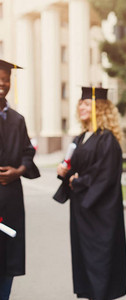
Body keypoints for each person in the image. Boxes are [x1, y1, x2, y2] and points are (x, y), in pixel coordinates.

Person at [54, 87, 126, 300]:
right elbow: (75, 166)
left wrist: (79, 180)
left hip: (99, 212)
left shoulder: (107, 139)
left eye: (87, 104)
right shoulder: (81, 137)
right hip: (81, 210)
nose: (81, 107)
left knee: (100, 260)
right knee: (84, 259)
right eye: (81, 104)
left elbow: (106, 176)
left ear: (101, 109)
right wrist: (64, 171)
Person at [0, 59, 40, 300]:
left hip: (11, 198)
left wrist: (18, 171)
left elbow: (28, 151)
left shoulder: (17, 119)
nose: (2, 84)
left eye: (6, 80)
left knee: (8, 258)